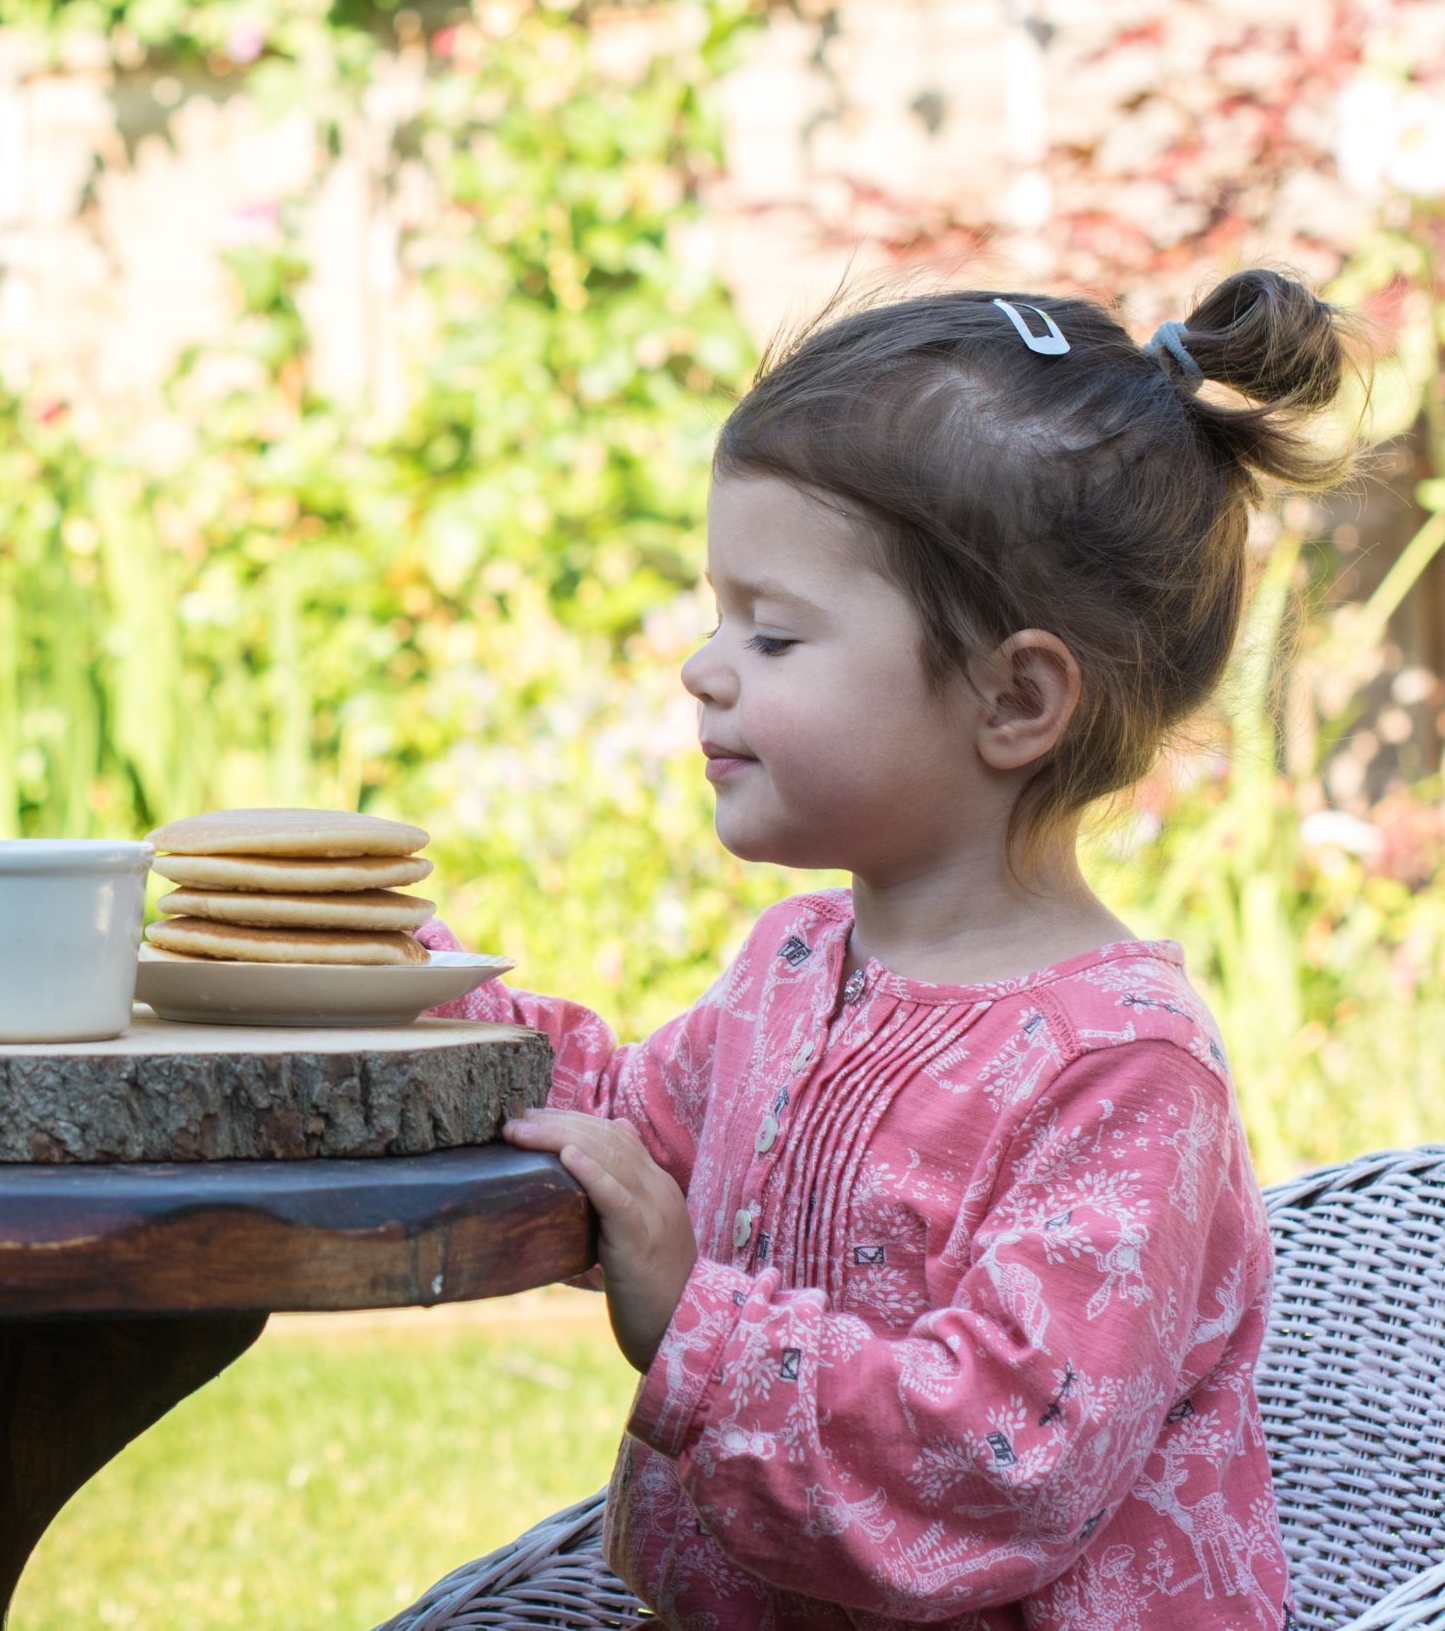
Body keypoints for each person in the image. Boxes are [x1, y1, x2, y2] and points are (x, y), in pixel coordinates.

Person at [418, 270, 1364, 1628]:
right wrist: (398, 986)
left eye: (775, 631)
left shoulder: (1122, 1076)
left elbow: (1006, 1464)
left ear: (1016, 695)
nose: (703, 666)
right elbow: (625, 1132)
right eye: (717, 610)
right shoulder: (796, 970)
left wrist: (698, 1319)